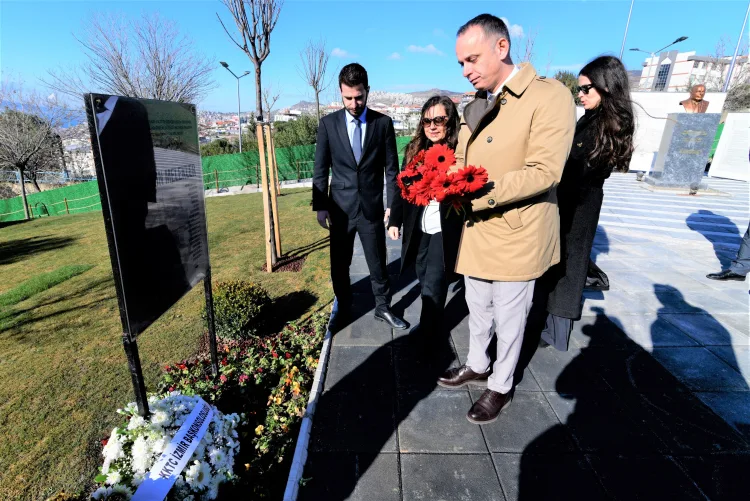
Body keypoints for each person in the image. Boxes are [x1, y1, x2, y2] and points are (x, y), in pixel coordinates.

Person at [437, 14, 576, 424]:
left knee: (511, 316)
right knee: (477, 305)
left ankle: (500, 384)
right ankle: (478, 364)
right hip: (477, 227)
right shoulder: (475, 104)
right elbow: (461, 159)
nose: (467, 70)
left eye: (472, 58)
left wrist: (475, 193)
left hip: (518, 229)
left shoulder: (548, 96)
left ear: (502, 47)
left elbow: (545, 170)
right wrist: (442, 182)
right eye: (461, 63)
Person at [539, 56, 635, 351]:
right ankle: (551, 324)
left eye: (585, 89)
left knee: (571, 263)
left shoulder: (608, 124)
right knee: (562, 260)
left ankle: (557, 332)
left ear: (606, 88)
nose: (579, 95)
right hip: (572, 198)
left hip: (580, 202)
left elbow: (583, 168)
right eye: (578, 90)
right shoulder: (593, 118)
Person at [312, 63, 407, 330]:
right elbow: (320, 169)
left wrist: (392, 208)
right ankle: (344, 306)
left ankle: (383, 307)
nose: (354, 103)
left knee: (378, 261)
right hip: (340, 209)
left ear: (367, 91)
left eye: (359, 96)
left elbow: (392, 171)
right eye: (348, 98)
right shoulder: (328, 125)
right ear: (341, 93)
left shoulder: (383, 124)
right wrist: (320, 206)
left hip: (372, 207)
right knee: (339, 264)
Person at [386, 96, 464, 335]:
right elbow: (401, 186)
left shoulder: (459, 152)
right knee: (421, 273)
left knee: (434, 282)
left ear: (450, 121)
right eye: (427, 120)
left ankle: (428, 334)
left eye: (439, 120)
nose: (432, 126)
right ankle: (431, 322)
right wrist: (395, 220)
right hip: (419, 226)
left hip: (445, 226)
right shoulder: (414, 150)